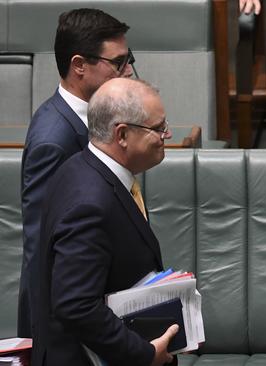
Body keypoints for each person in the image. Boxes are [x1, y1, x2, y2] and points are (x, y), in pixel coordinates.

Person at [31, 78, 176, 366]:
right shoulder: (90, 203)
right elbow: (76, 305)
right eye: (158, 128)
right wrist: (143, 354)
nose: (167, 134)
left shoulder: (79, 167)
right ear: (122, 134)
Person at [19, 8, 135, 337]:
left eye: (129, 59)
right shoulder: (53, 141)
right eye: (118, 62)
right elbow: (43, 250)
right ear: (79, 66)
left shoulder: (94, 120)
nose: (128, 72)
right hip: (66, 330)